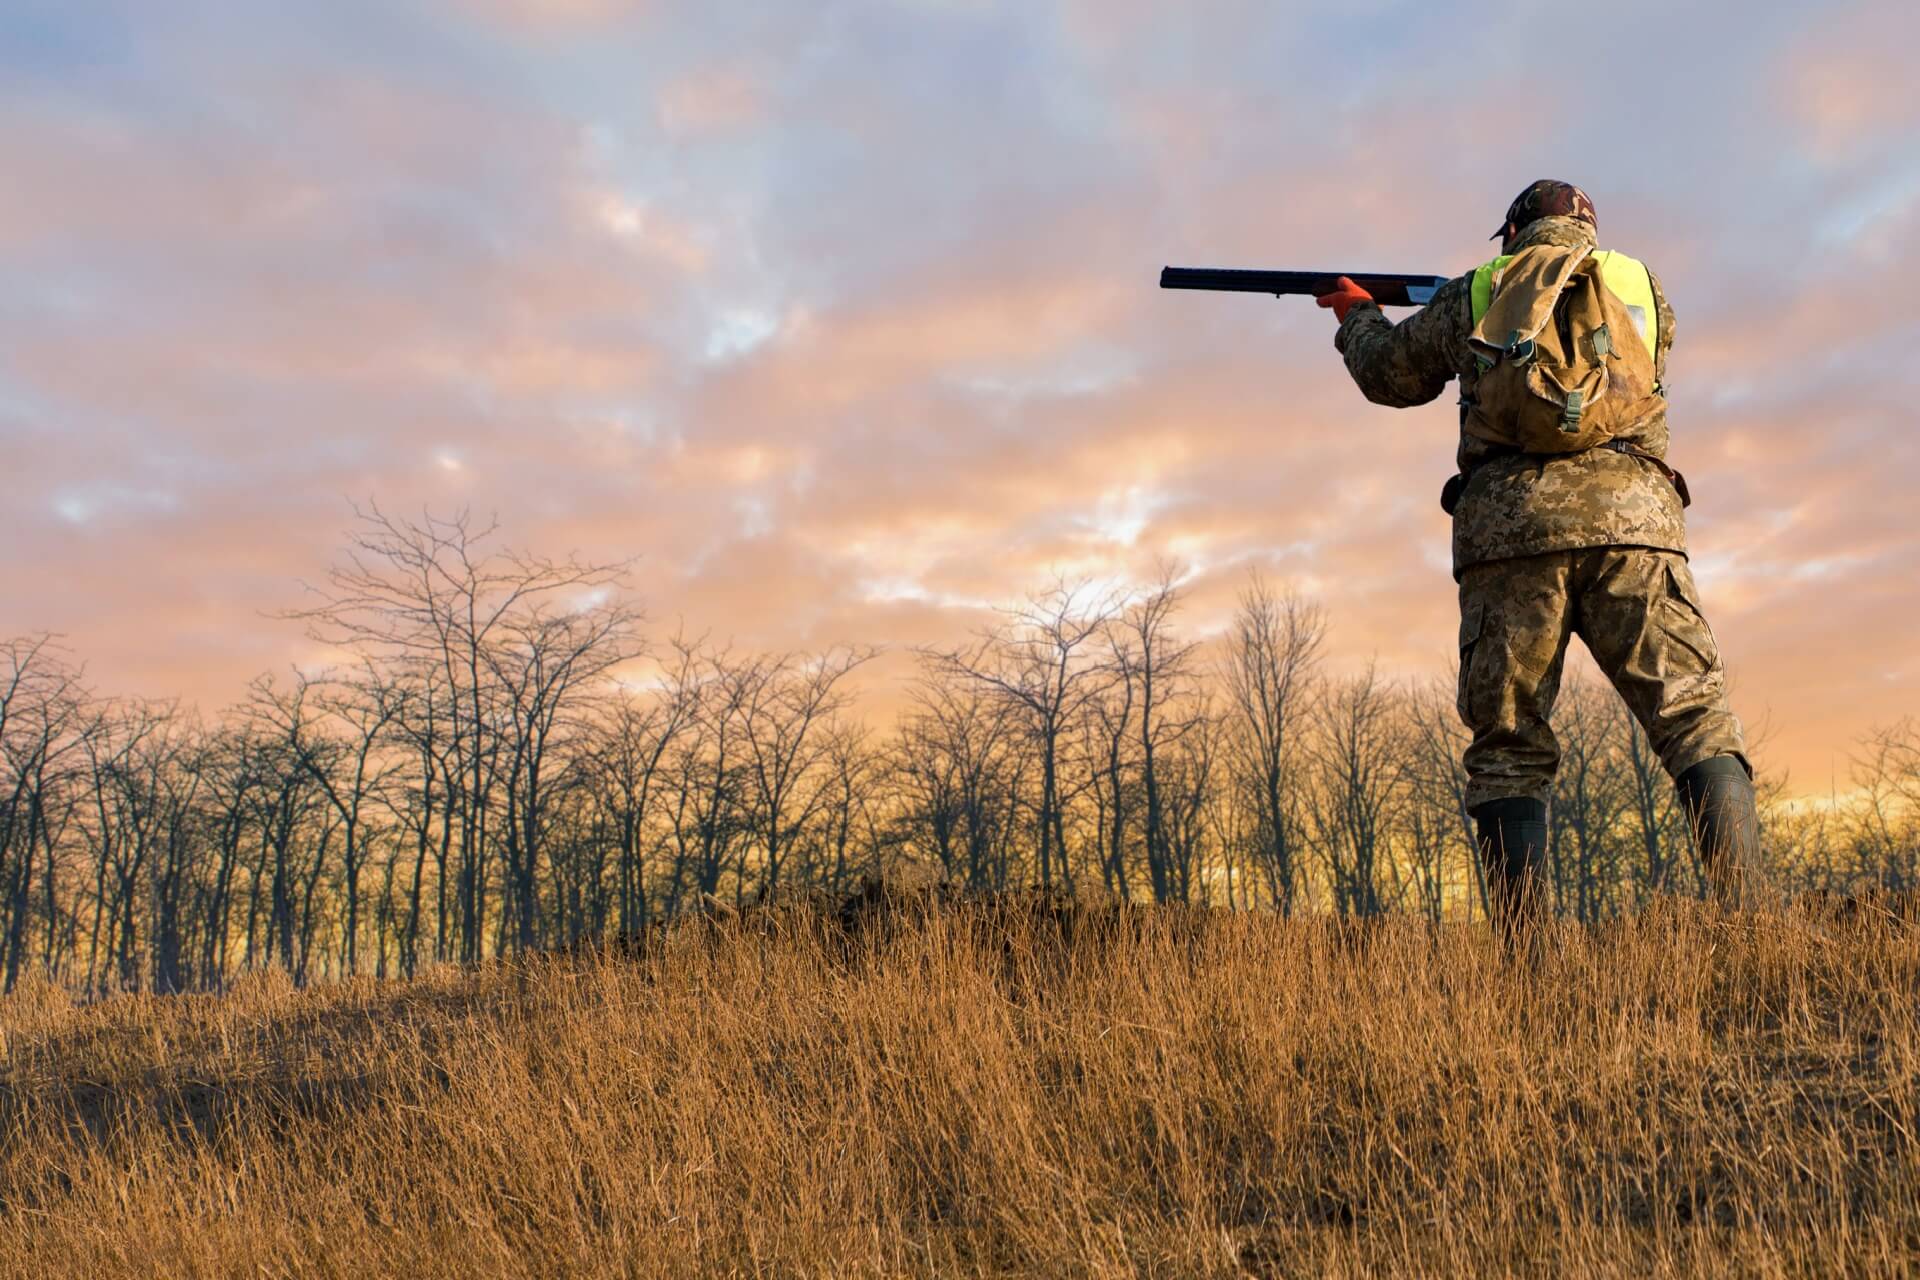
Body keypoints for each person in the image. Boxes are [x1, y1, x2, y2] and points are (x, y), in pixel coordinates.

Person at [1313, 179, 1760, 925]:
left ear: (1513, 231)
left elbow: (1390, 375)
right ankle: (1757, 926)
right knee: (1694, 718)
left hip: (1510, 536)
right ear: (1586, 228)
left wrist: (1356, 311)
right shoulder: (1643, 288)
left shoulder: (1479, 290)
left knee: (1510, 743)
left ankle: (1528, 962)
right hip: (1634, 528)